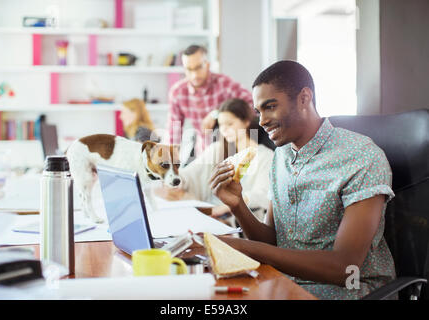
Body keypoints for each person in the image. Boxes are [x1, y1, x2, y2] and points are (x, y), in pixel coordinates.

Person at [209, 60, 396, 299]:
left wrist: (243, 248)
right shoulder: (282, 156)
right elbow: (274, 242)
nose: (263, 120)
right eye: (259, 111)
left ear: (304, 98)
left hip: (350, 289)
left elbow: (344, 268)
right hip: (288, 282)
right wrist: (237, 205)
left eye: (270, 106)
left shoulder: (361, 156)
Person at [176, 98, 274, 225]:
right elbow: (189, 174)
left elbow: (262, 195)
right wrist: (169, 177)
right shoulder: (217, 149)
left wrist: (224, 207)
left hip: (235, 221)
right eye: (221, 125)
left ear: (246, 122)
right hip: (209, 215)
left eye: (230, 124)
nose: (224, 130)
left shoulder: (265, 156)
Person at [167, 44, 252, 158]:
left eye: (198, 67)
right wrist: (170, 160)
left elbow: (251, 103)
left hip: (232, 153)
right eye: (189, 69)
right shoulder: (177, 92)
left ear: (207, 64)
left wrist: (216, 113)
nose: (194, 74)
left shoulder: (223, 83)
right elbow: (174, 131)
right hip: (203, 154)